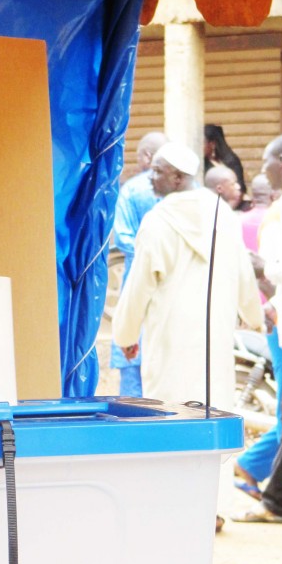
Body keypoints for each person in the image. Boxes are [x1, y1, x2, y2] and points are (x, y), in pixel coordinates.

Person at [112, 141, 263, 531]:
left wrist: (125, 333)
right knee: (215, 415)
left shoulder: (158, 221)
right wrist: (253, 315)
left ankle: (175, 505)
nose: (152, 178)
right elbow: (244, 274)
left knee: (171, 416)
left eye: (158, 171)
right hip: (214, 343)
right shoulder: (223, 217)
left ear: (178, 177)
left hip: (169, 340)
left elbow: (139, 285)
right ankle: (212, 507)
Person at [232, 133, 282, 530]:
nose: (261, 170)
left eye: (264, 162)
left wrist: (266, 269)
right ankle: (277, 501)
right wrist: (276, 303)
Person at [109, 131, 168, 396]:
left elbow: (122, 237)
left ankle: (134, 428)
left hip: (137, 280)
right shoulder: (185, 193)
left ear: (146, 155)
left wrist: (147, 257)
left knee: (132, 363)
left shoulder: (132, 189)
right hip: (171, 286)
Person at [204, 123, 247, 197]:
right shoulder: (203, 162)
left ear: (212, 144)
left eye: (202, 143)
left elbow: (240, 189)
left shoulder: (231, 161)